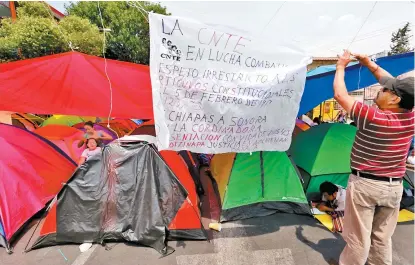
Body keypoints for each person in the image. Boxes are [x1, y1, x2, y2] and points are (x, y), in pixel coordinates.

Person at [333, 50, 414, 265]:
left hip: (366, 185)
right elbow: (389, 81)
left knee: (358, 239)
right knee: (382, 238)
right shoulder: (411, 117)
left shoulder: (374, 117)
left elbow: (341, 95)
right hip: (394, 187)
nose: (381, 88)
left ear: (395, 98)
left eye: (385, 89)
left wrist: (341, 66)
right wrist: (369, 64)